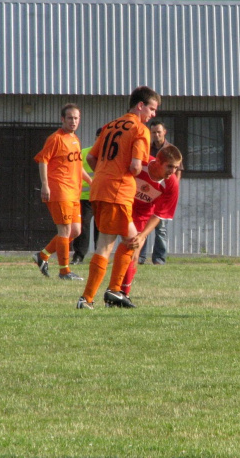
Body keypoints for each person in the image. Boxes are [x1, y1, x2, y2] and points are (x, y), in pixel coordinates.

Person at [77, 86, 160, 309]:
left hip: (99, 189)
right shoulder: (140, 130)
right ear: (140, 105)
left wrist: (107, 171)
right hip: (118, 191)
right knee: (123, 242)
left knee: (119, 241)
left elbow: (92, 159)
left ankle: (106, 294)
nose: (153, 114)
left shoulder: (109, 125)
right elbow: (134, 167)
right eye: (152, 109)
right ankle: (95, 296)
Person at [116, 144, 182, 305]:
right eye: (170, 167)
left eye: (176, 167)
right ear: (158, 161)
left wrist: (143, 235)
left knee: (134, 250)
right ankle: (112, 291)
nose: (173, 172)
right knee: (108, 244)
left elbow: (159, 214)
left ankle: (123, 293)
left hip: (142, 215)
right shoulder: (141, 164)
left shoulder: (171, 184)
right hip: (122, 204)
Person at [32, 103, 90, 280]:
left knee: (76, 231)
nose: (73, 121)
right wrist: (45, 184)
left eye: (76, 118)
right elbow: (43, 160)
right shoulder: (55, 138)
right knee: (64, 230)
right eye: (70, 118)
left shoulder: (75, 139)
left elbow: (77, 166)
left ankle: (42, 255)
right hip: (60, 189)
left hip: (74, 191)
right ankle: (64, 271)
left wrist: (91, 182)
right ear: (62, 119)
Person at [138, 120, 177, 265]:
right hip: (147, 191)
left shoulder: (171, 150)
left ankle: (159, 259)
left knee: (161, 228)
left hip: (162, 192)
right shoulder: (146, 148)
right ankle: (140, 257)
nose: (156, 134)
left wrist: (170, 190)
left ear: (164, 132)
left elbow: (176, 174)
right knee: (143, 226)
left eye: (158, 132)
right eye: (153, 132)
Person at [71, 129, 102, 266]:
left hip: (103, 197)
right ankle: (79, 255)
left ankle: (100, 256)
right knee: (83, 225)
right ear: (95, 138)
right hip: (85, 197)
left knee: (101, 227)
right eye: (99, 138)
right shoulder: (84, 153)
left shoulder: (111, 156)